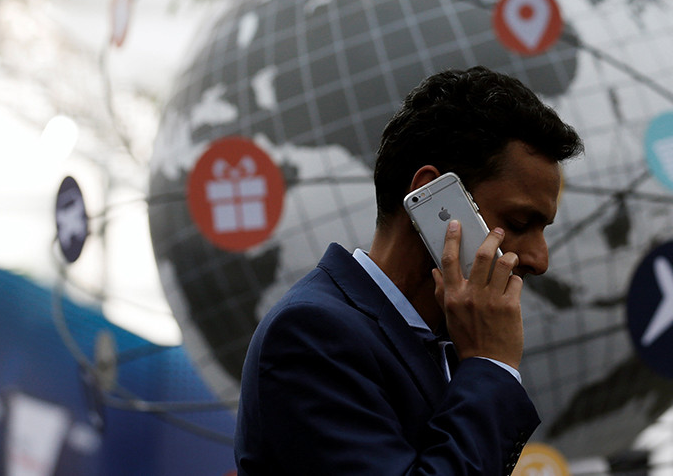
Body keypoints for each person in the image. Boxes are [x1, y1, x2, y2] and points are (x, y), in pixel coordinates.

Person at [234, 66, 584, 475]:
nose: (540, 260)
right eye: (520, 223)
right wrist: (491, 365)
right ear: (433, 198)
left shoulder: (448, 346)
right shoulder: (311, 335)